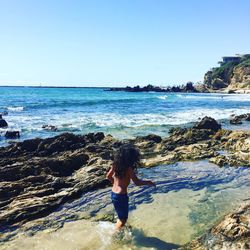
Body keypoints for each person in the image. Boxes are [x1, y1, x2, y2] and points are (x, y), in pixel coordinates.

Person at [106, 144, 156, 230]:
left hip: (113, 193)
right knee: (123, 220)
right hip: (121, 196)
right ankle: (113, 235)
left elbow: (108, 176)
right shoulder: (129, 169)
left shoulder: (115, 164)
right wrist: (148, 182)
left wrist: (115, 184)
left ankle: (118, 227)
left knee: (120, 216)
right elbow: (137, 182)